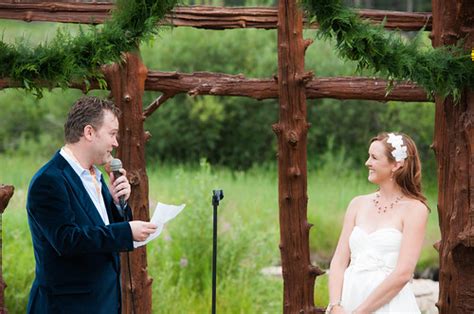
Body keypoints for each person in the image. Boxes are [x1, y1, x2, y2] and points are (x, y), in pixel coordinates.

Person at [26, 96, 158, 314]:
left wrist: (118, 205)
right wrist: (126, 230)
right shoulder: (49, 181)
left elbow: (103, 233)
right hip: (67, 307)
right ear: (89, 133)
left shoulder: (96, 176)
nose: (116, 143)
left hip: (103, 303)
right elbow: (68, 240)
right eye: (112, 134)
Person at [326, 132, 429, 313]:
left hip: (389, 304)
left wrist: (360, 312)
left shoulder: (415, 209)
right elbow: (339, 260)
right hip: (349, 297)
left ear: (396, 165)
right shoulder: (357, 203)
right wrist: (335, 305)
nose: (367, 163)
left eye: (374, 157)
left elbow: (403, 273)